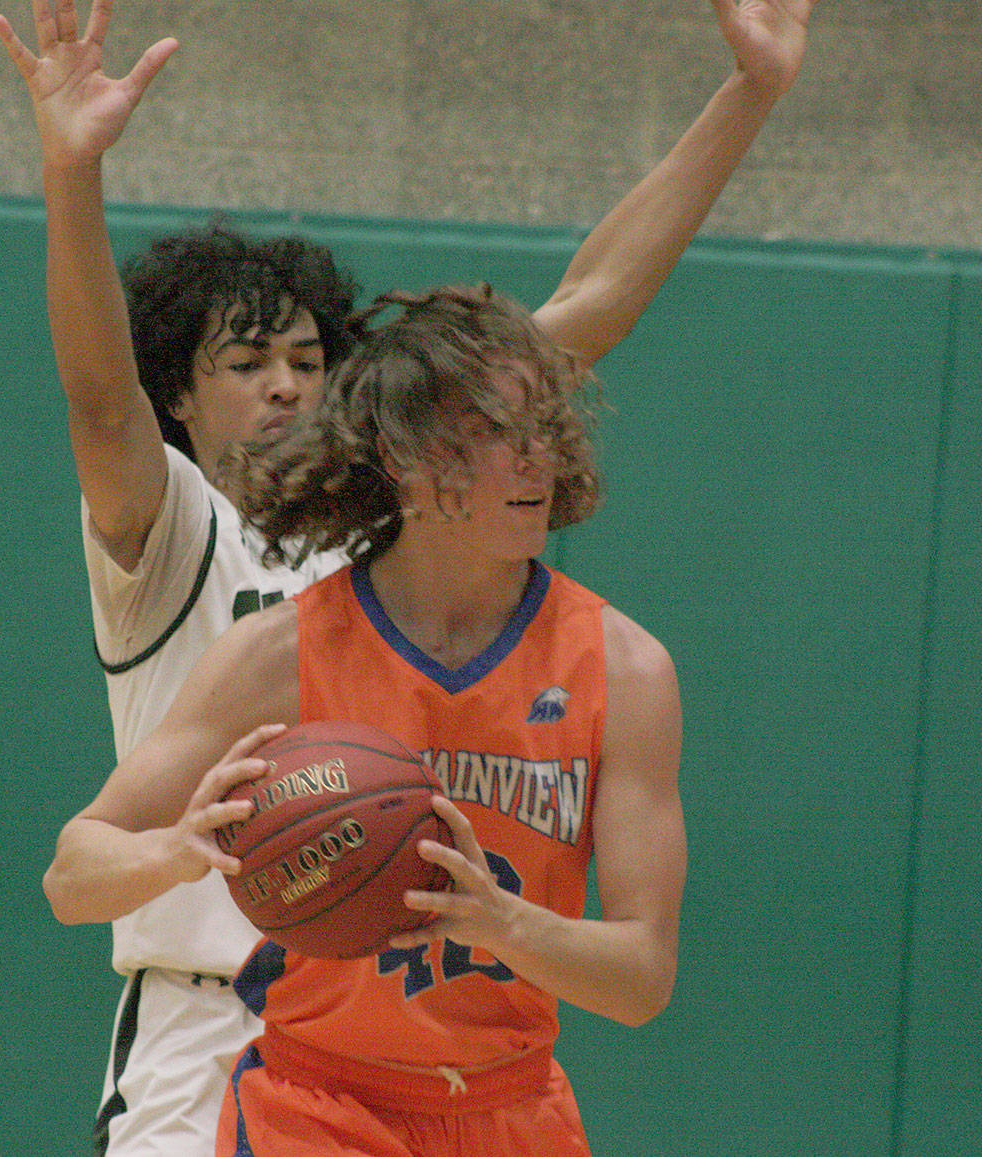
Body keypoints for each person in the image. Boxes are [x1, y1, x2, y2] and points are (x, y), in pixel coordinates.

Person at [0, 0, 815, 1151]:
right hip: (215, 1007)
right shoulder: (176, 529)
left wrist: (751, 92)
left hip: (436, 1029)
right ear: (179, 392)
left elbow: (585, 313)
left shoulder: (417, 513)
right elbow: (94, 390)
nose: (284, 385)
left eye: (306, 358)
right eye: (244, 362)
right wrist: (67, 169)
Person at [54, 283, 684, 1156]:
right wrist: (177, 846)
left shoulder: (625, 669)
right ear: (403, 452)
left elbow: (643, 976)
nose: (535, 457)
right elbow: (72, 873)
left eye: (545, 427)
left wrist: (502, 921)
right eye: (498, 430)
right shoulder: (281, 653)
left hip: (513, 1108)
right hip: (320, 1108)